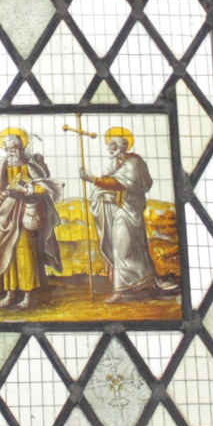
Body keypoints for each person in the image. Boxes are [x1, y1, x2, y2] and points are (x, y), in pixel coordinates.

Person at [0, 128, 63, 311]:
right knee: (7, 253)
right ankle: (10, 291)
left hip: (24, 216)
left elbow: (45, 189)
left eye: (14, 147)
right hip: (4, 218)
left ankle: (28, 294)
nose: (11, 151)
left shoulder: (30, 167)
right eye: (8, 148)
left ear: (21, 147)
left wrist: (27, 190)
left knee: (25, 254)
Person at [87, 128, 174, 302]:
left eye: (112, 146)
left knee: (123, 249)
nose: (109, 149)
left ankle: (121, 291)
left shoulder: (133, 163)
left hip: (129, 212)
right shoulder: (115, 164)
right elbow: (111, 185)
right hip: (119, 211)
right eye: (108, 146)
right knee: (128, 249)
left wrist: (94, 180)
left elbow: (121, 183)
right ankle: (140, 282)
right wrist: (103, 193)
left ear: (122, 146)